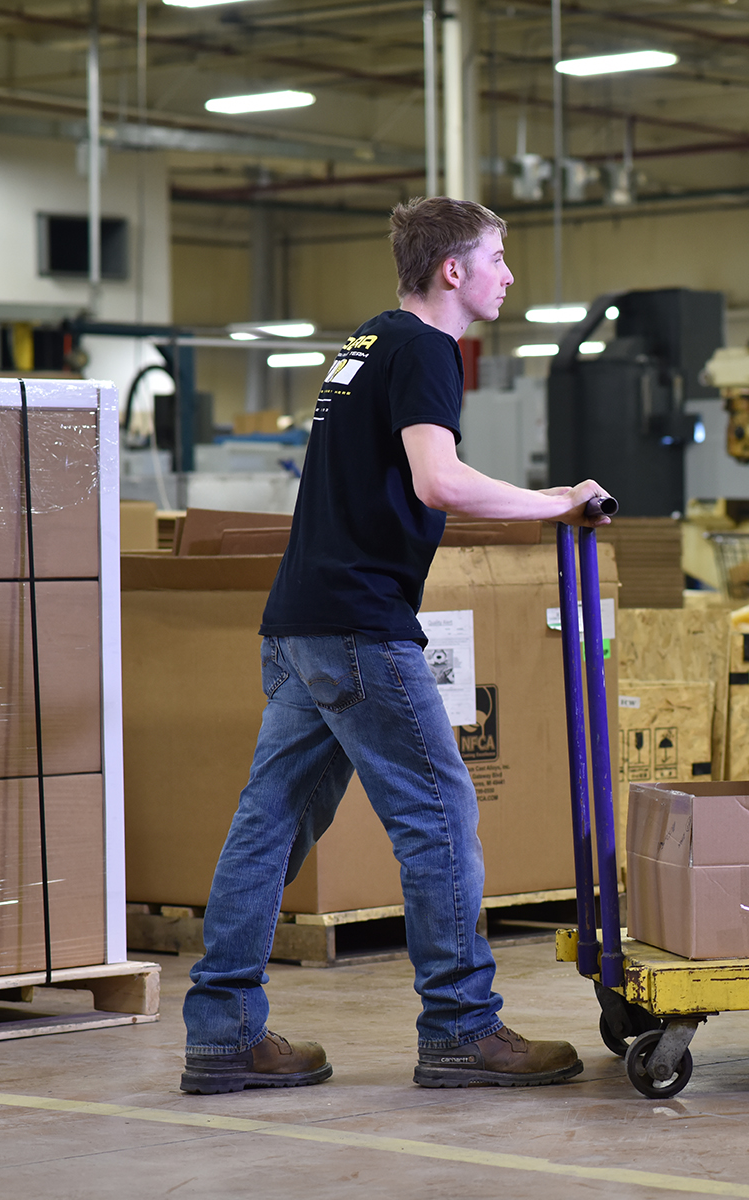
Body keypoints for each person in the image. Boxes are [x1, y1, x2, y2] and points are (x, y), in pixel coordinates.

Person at [180, 196, 612, 1094]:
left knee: (270, 824)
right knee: (440, 818)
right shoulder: (424, 348)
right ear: (452, 269)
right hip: (358, 626)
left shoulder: (366, 343)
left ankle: (222, 1033)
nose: (508, 272)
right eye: (497, 256)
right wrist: (559, 501)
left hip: (302, 619)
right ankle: (461, 1026)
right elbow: (438, 477)